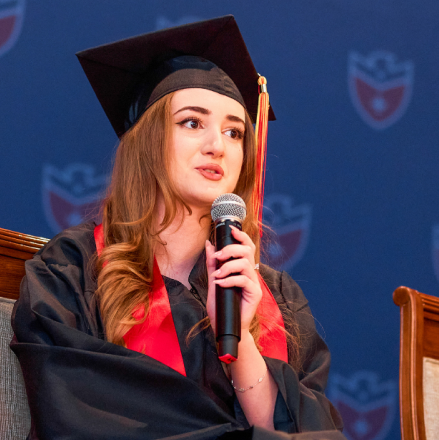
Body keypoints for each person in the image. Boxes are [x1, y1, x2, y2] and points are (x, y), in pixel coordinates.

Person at [11, 16, 344, 440]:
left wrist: (240, 341)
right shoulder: (74, 271)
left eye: (234, 132)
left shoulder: (277, 298)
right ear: (147, 141)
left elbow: (315, 432)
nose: (217, 146)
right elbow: (78, 417)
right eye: (192, 122)